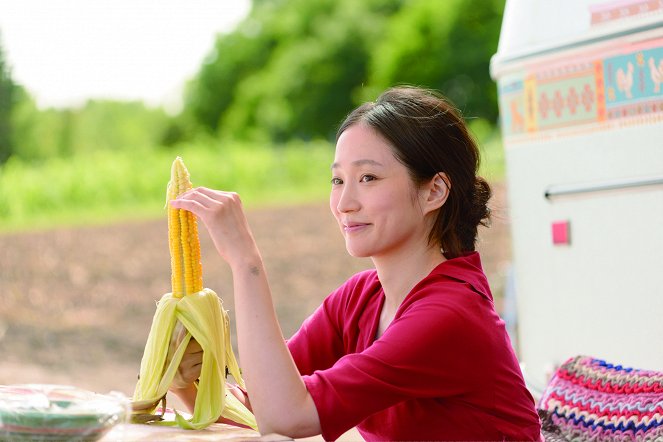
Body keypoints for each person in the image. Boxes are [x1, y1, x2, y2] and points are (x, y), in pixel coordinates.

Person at [169, 86, 542, 440]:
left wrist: (246, 261)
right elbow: (258, 404)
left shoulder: (449, 315)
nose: (345, 202)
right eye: (337, 180)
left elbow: (285, 416)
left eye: (368, 177)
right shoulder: (359, 299)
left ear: (434, 191)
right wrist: (184, 382)